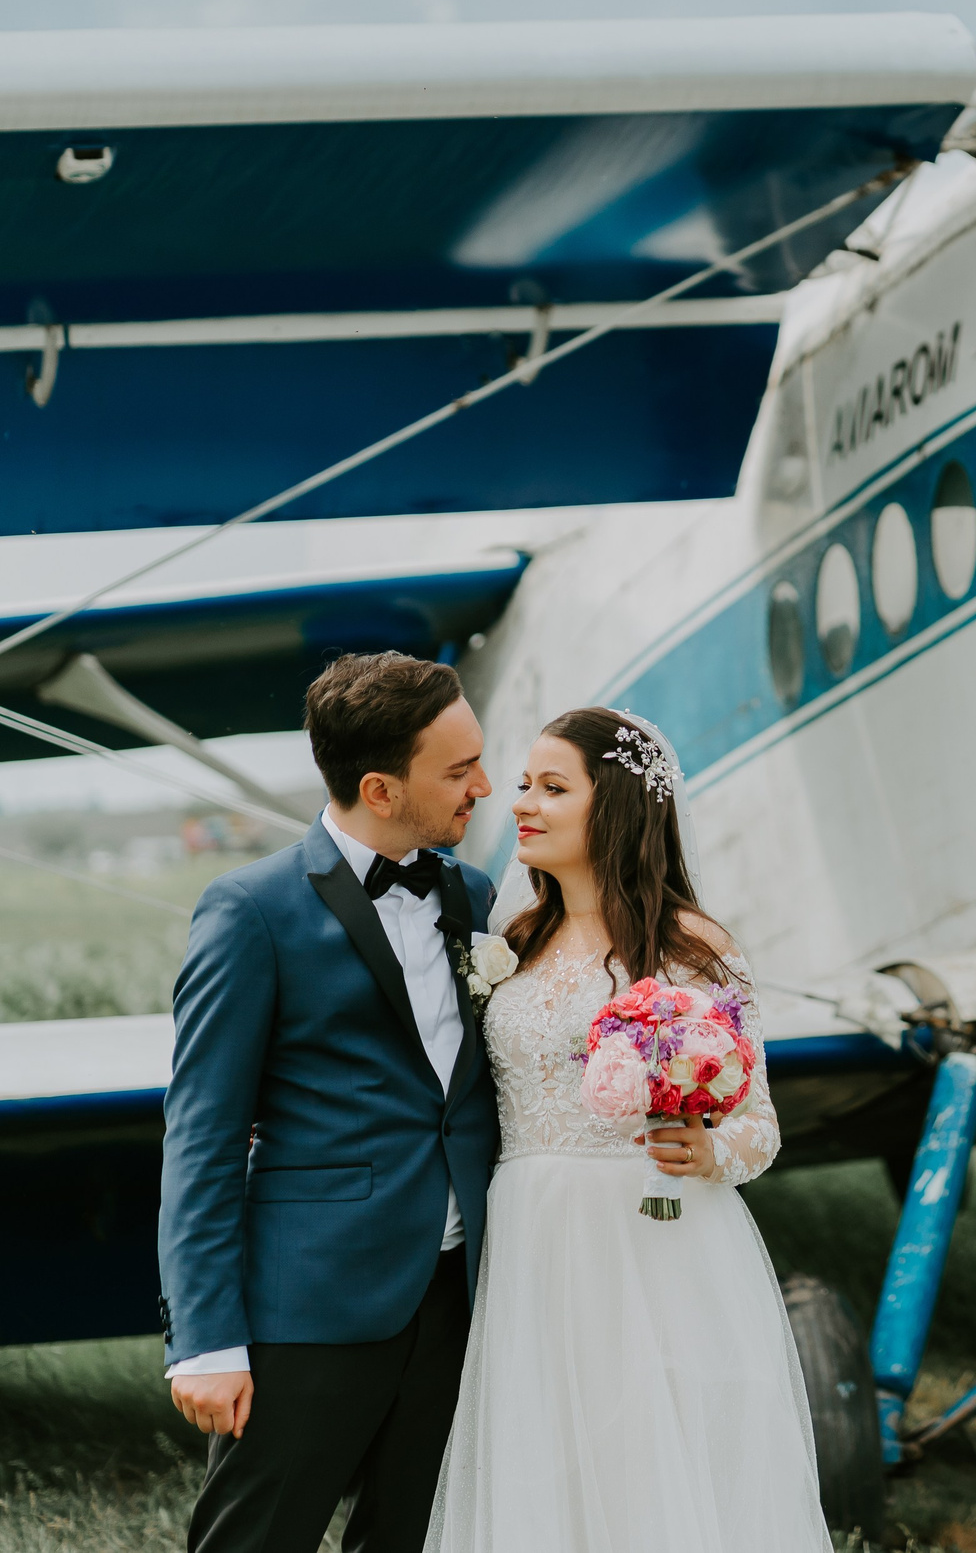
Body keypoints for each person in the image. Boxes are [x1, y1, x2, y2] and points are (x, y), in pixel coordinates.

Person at [426, 706, 829, 1550]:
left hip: (652, 1237)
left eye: (552, 787)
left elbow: (759, 1124)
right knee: (548, 1463)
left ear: (613, 804)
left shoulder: (689, 945)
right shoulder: (512, 938)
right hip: (531, 1236)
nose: (522, 803)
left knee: (647, 1458)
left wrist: (708, 1148)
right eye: (525, 784)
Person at [160, 652, 500, 1552]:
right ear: (381, 789)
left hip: (456, 1297)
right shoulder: (250, 909)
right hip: (310, 1301)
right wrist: (205, 1340)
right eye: (460, 771)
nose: (483, 786)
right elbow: (202, 1135)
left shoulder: (473, 895)